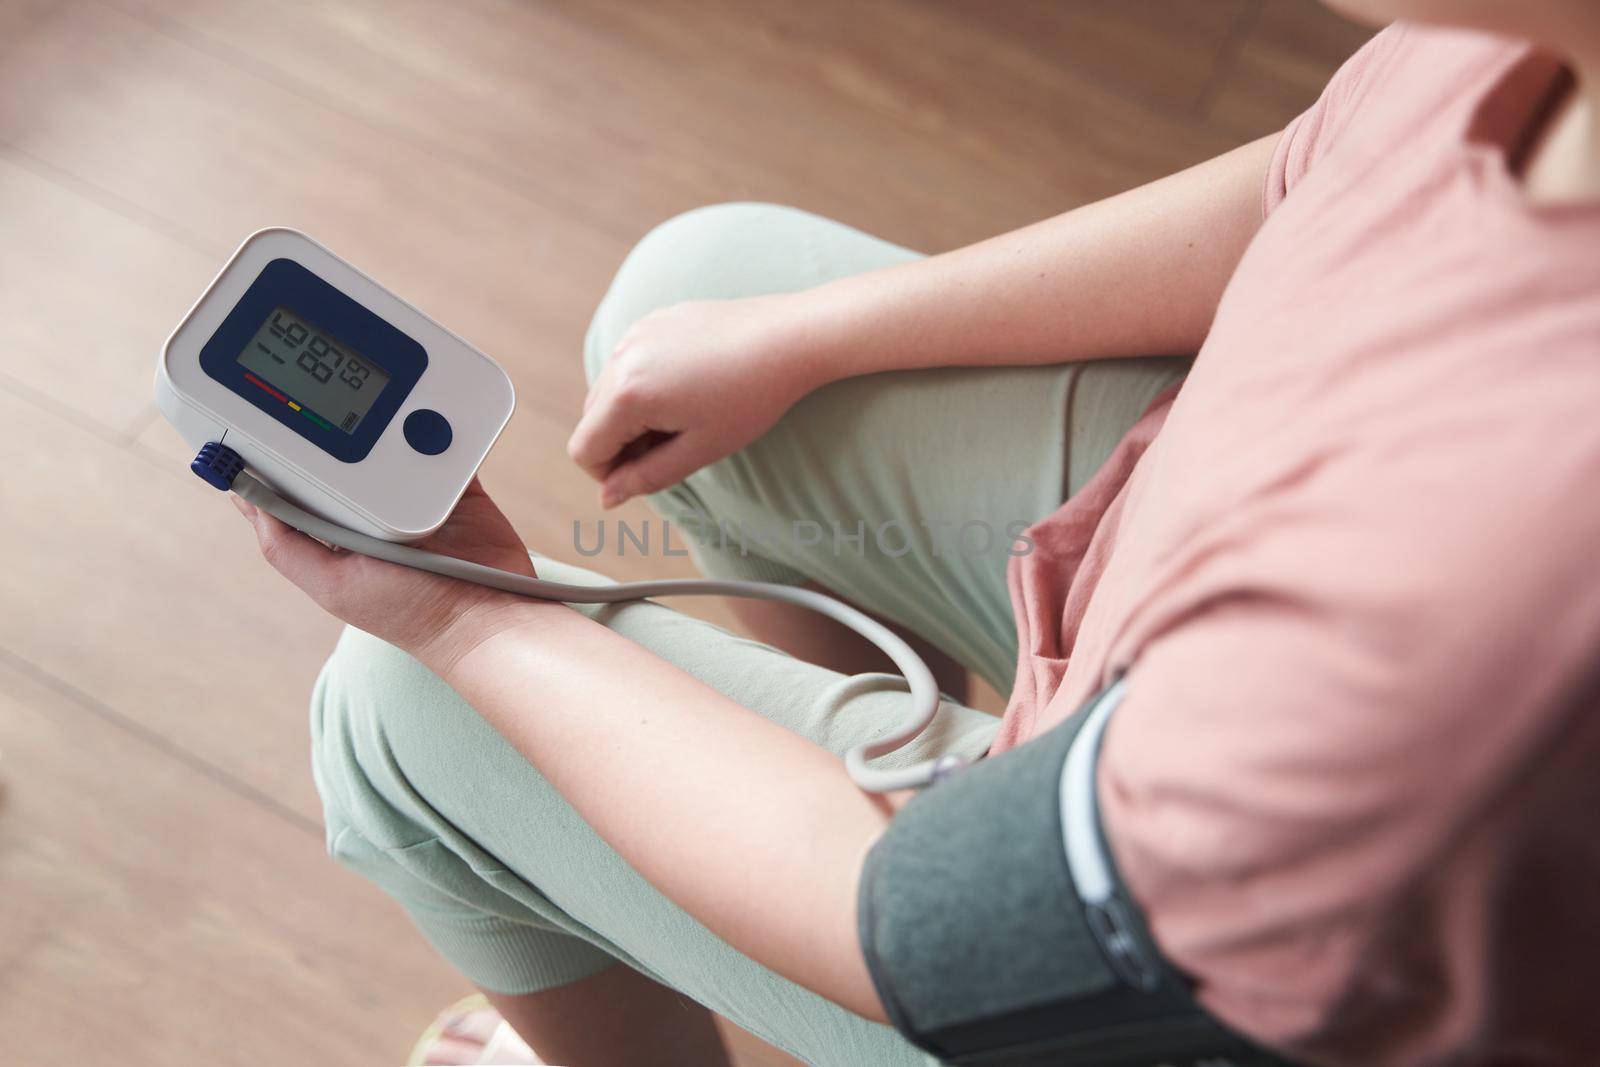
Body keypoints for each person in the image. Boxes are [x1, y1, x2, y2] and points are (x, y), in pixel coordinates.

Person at [233, 0, 1600, 1063]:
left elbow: (912, 921)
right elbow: (1332, 173)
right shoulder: (1550, 55)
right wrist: (809, 337)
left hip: (1190, 990)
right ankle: (841, 755)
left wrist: (467, 617)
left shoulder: (1472, 619)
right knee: (698, 295)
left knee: (398, 714)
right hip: (1195, 558)